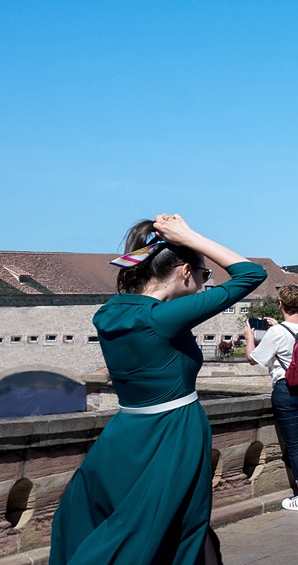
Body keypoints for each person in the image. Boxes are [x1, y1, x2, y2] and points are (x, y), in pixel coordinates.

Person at [51, 214, 266, 565]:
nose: (204, 282)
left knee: (125, 517)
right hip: (173, 431)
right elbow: (252, 274)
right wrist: (190, 235)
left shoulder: (109, 312)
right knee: (166, 526)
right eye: (203, 275)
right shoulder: (163, 317)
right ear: (184, 272)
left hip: (124, 433)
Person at [245, 284, 298, 511]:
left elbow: (254, 359)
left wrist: (249, 337)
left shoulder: (277, 332)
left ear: (280, 304)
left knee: (297, 446)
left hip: (289, 391)